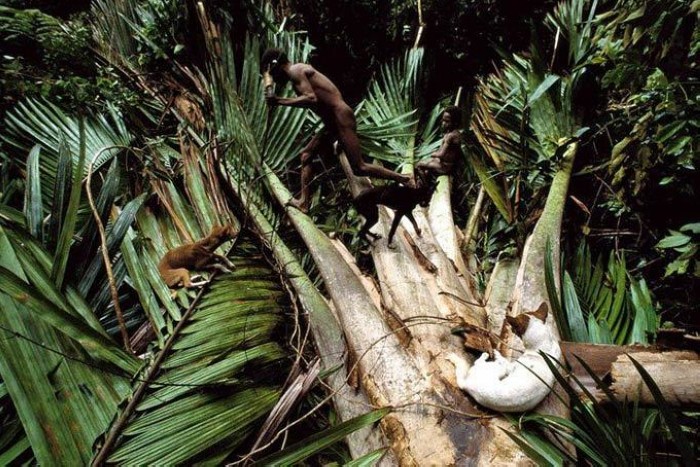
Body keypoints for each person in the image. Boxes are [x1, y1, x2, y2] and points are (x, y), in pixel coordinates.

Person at [261, 48, 411, 212]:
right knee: (306, 155)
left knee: (360, 168)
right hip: (333, 122)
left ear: (276, 66)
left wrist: (279, 101)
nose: (274, 78)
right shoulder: (296, 72)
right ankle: (304, 202)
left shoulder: (295, 70)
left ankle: (404, 179)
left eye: (272, 73)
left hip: (341, 118)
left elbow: (311, 98)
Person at [416, 106, 464, 182]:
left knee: (419, 165)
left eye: (447, 121)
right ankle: (428, 182)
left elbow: (441, 154)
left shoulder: (450, 136)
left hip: (445, 167)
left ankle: (425, 187)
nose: (443, 123)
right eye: (443, 120)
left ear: (455, 122)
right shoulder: (455, 133)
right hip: (447, 164)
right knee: (428, 163)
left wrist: (432, 153)